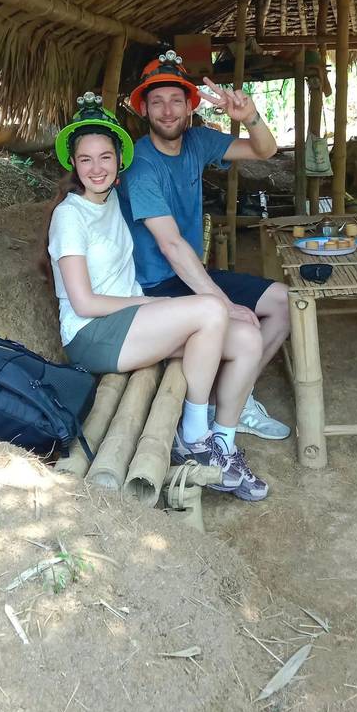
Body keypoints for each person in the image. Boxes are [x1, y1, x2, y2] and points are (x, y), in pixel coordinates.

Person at [45, 91, 268, 501]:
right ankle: (194, 439)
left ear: (119, 162)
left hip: (131, 328)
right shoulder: (69, 216)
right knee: (209, 310)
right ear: (73, 164)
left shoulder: (115, 198)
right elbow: (85, 304)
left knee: (249, 339)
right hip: (94, 335)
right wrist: (153, 303)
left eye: (105, 157)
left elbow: (167, 228)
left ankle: (223, 443)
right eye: (86, 159)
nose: (97, 168)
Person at [118, 50, 291, 441]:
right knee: (242, 326)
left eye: (176, 100)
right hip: (158, 287)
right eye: (157, 101)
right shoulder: (140, 166)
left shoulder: (197, 142)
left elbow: (265, 150)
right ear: (143, 108)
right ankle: (226, 404)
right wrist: (224, 304)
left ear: (189, 107)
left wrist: (249, 118)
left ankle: (233, 396)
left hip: (189, 275)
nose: (167, 111)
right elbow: (171, 246)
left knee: (283, 301)